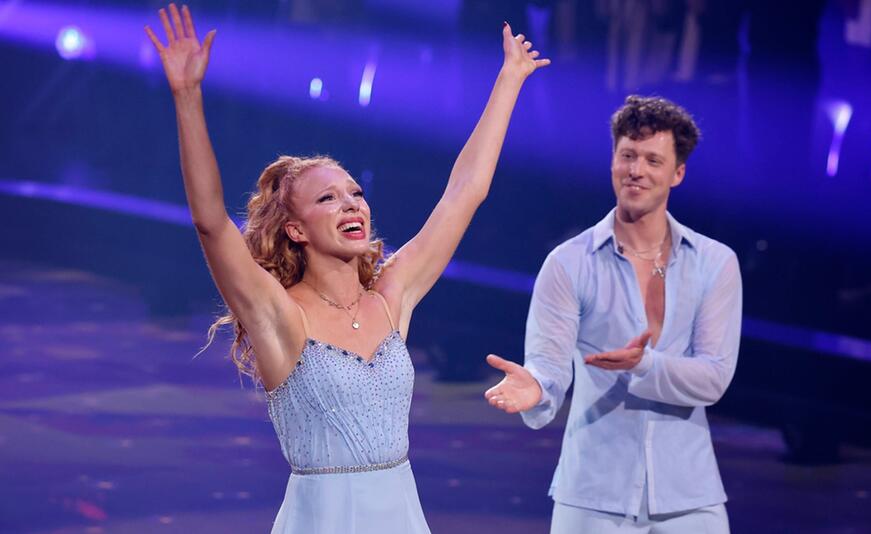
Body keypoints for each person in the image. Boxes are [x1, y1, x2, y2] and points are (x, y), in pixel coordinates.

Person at [144, 4, 549, 533]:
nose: (352, 205)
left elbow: (463, 195)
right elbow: (212, 224)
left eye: (356, 194)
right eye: (329, 199)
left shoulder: (390, 298)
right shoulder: (279, 315)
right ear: (295, 229)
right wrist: (187, 98)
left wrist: (508, 82)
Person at [484, 95, 741, 533]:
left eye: (652, 160)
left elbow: (714, 378)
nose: (636, 170)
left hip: (689, 497)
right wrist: (537, 391)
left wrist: (645, 365)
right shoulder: (568, 263)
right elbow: (548, 370)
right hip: (593, 496)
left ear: (677, 173)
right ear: (612, 161)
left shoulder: (715, 263)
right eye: (627, 156)